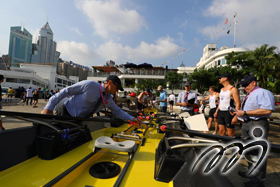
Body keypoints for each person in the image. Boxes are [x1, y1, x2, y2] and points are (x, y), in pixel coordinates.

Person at [41, 75, 141, 124]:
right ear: (110, 83)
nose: (117, 91)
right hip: (66, 113)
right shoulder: (90, 85)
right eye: (117, 88)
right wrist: (49, 107)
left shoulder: (108, 98)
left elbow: (118, 111)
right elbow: (66, 91)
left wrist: (132, 119)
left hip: (81, 120)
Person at [234, 75, 274, 187]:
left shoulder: (263, 92)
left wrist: (245, 113)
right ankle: (251, 173)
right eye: (243, 86)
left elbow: (267, 110)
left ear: (254, 83)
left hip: (257, 124)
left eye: (246, 85)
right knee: (249, 150)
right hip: (247, 123)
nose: (244, 87)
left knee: (258, 151)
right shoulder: (251, 94)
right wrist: (239, 113)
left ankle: (258, 180)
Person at [214, 73, 240, 137]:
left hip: (229, 113)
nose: (219, 79)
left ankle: (231, 146)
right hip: (221, 112)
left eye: (220, 78)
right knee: (221, 132)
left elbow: (238, 103)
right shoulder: (221, 89)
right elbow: (221, 102)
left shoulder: (233, 89)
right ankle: (223, 146)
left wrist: (236, 116)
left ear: (225, 78)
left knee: (230, 133)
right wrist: (217, 111)